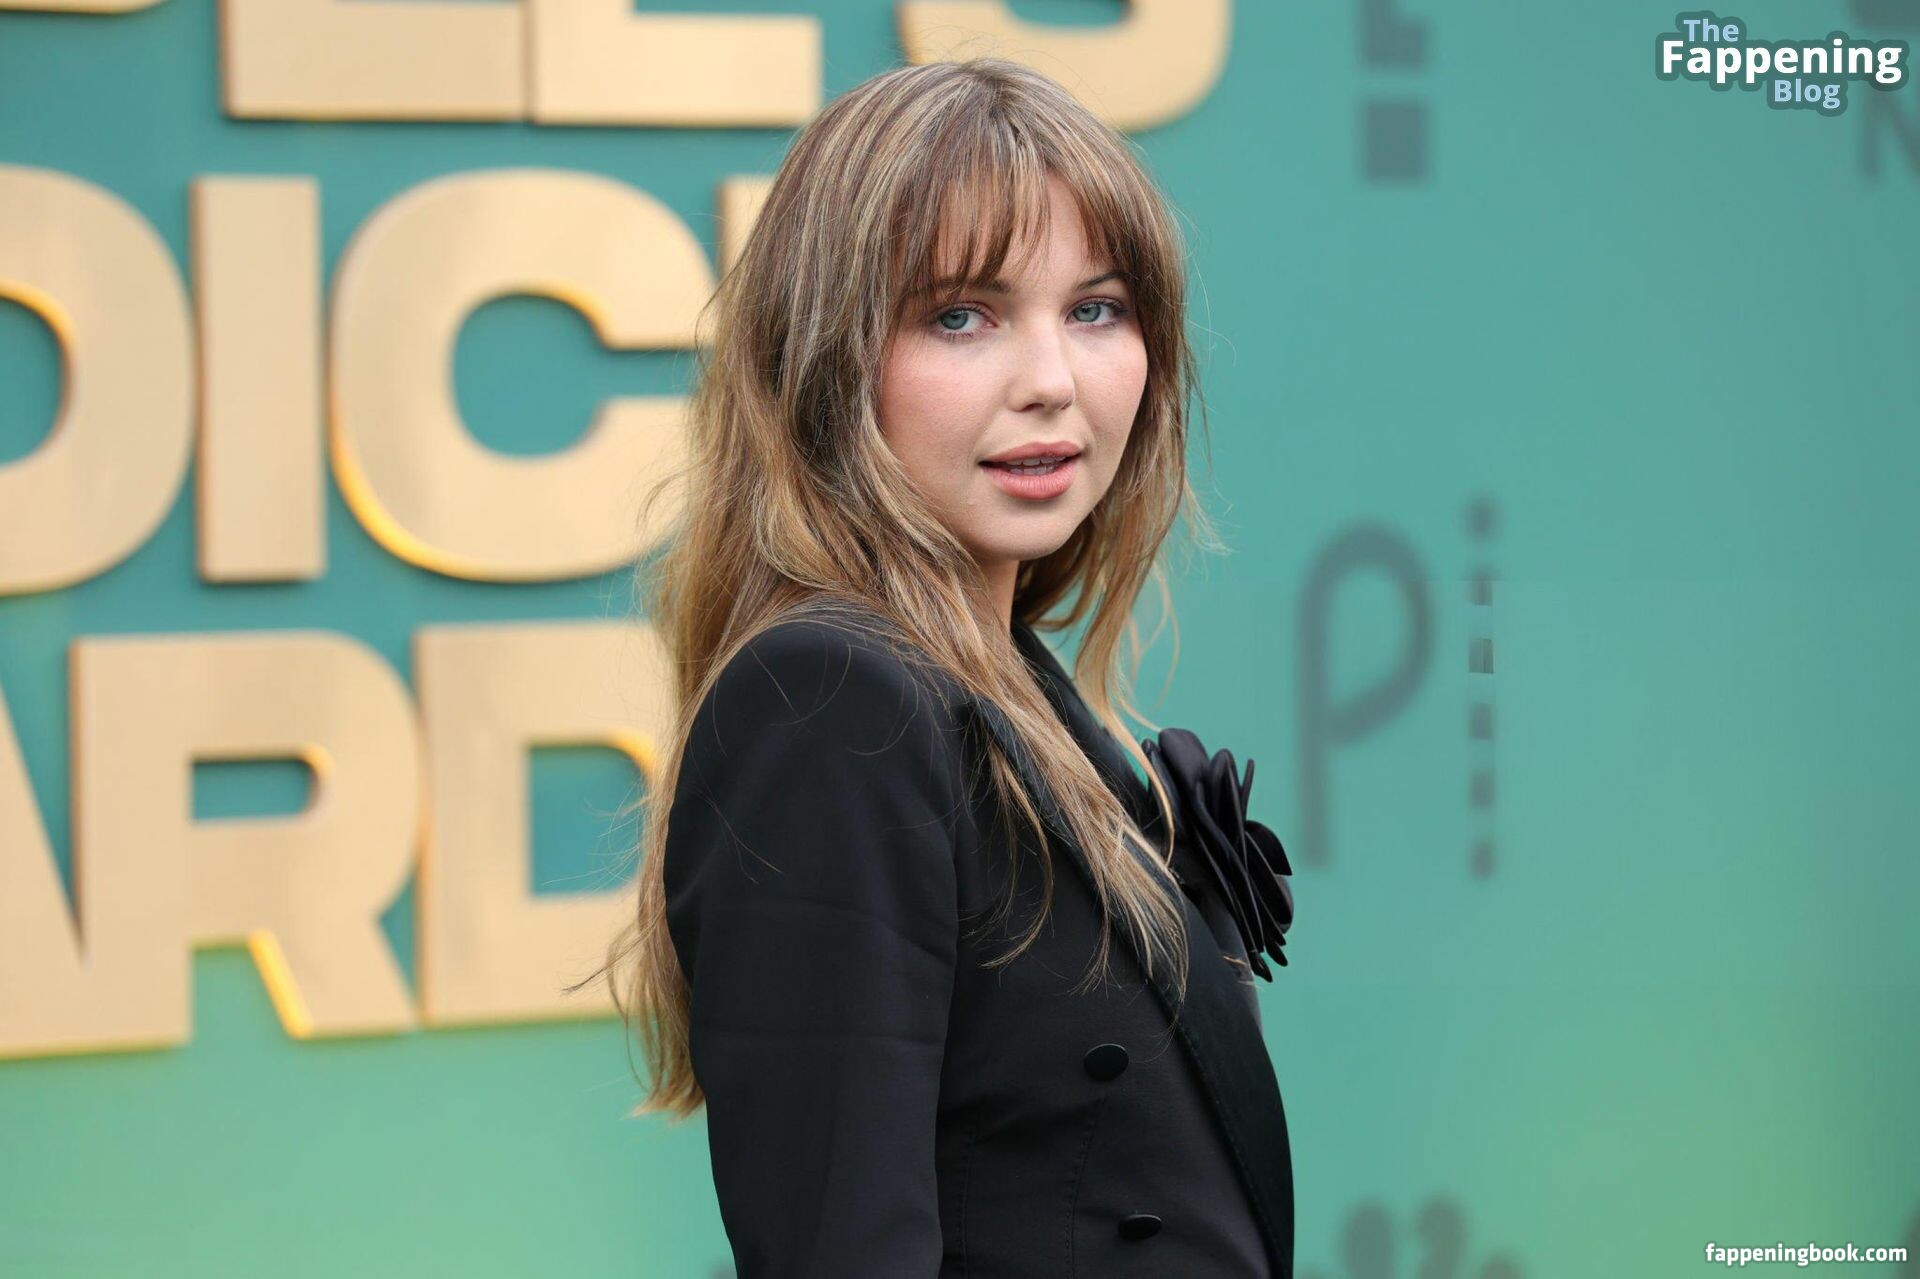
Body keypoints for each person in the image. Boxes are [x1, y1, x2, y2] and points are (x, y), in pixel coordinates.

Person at [584, 56, 1296, 1277]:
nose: (1050, 383)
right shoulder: (830, 702)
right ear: (825, 362)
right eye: (960, 315)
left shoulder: (1008, 686)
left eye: (1097, 309)